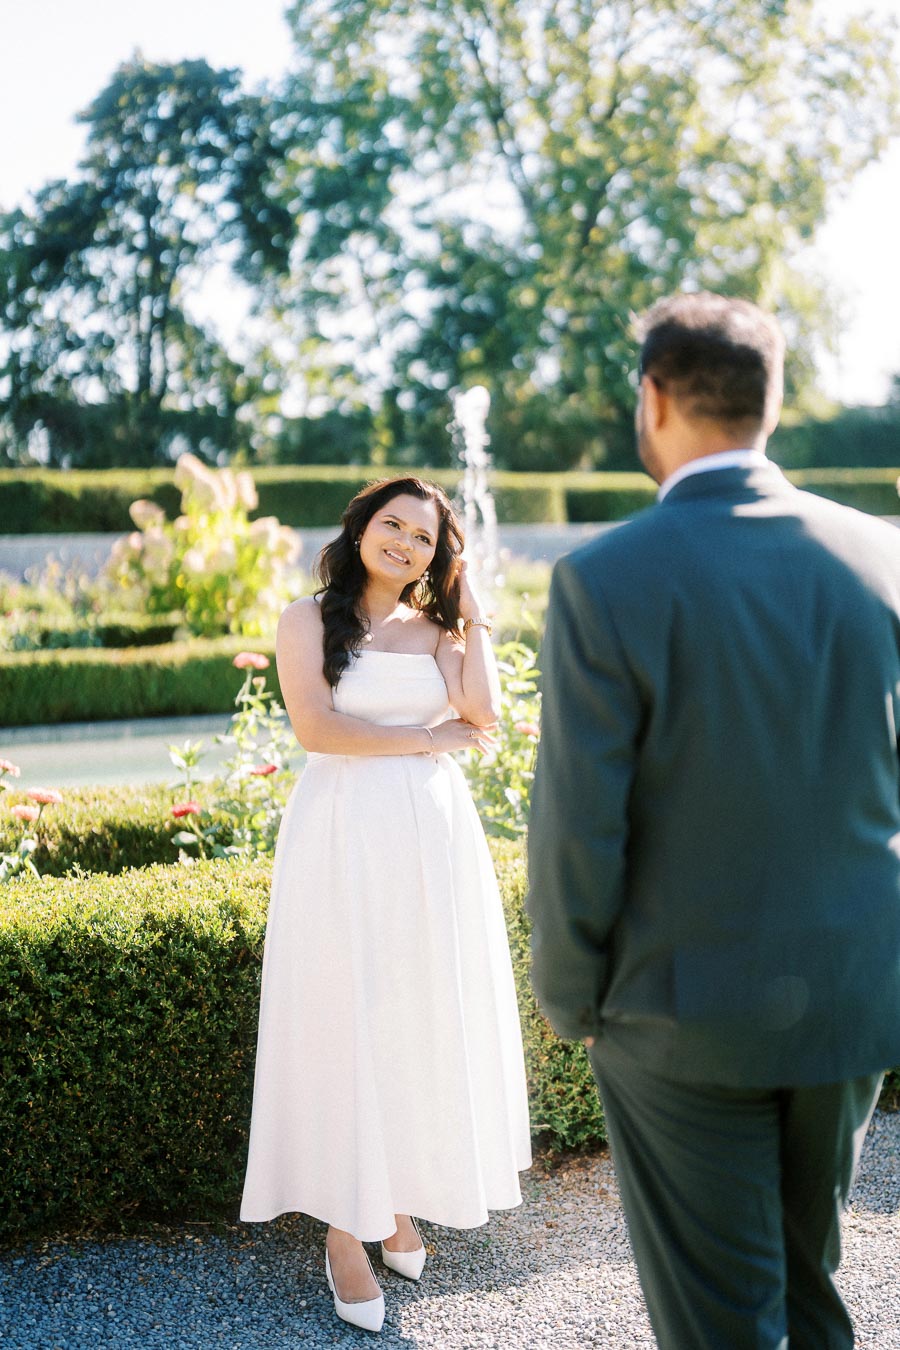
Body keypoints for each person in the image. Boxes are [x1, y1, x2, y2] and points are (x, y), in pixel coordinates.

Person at [526, 292, 900, 1349]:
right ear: (769, 402)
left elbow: (577, 830)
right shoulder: (886, 559)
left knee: (719, 1324)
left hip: (676, 1013)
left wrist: (571, 998)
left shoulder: (604, 579)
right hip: (851, 997)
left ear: (652, 397)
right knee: (811, 1291)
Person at [240, 475, 531, 1334]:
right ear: (362, 527)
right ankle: (346, 1229)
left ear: (440, 554)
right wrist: (424, 741)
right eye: (392, 525)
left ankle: (394, 1200)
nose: (405, 543)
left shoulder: (441, 627)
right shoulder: (306, 617)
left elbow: (482, 710)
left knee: (415, 1017)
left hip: (431, 840)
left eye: (425, 537)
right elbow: (318, 730)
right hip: (340, 837)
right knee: (347, 1017)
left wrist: (471, 605)